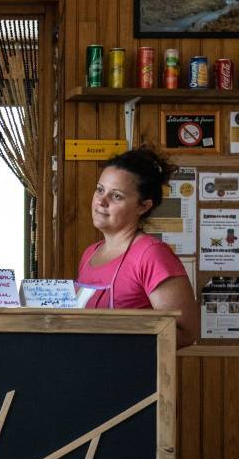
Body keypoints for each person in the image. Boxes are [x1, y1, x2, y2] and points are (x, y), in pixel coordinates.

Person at [77, 147, 198, 348]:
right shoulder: (90, 253)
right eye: (100, 189)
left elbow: (185, 333)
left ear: (143, 206)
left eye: (116, 196)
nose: (101, 201)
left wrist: (122, 338)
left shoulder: (151, 254)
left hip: (132, 375)